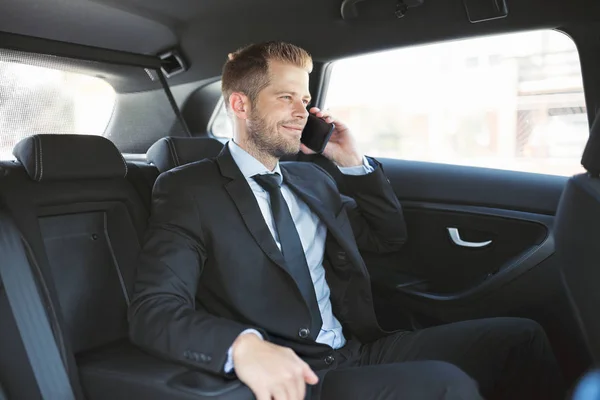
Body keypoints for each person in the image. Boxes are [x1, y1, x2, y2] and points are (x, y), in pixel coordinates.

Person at [128, 41, 565, 400]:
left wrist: (352, 162)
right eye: (285, 98)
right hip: (297, 372)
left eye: (305, 100)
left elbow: (387, 238)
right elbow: (155, 310)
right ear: (240, 104)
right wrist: (243, 347)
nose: (302, 113)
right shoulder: (189, 190)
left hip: (357, 348)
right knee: (445, 387)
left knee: (521, 338)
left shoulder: (311, 180)